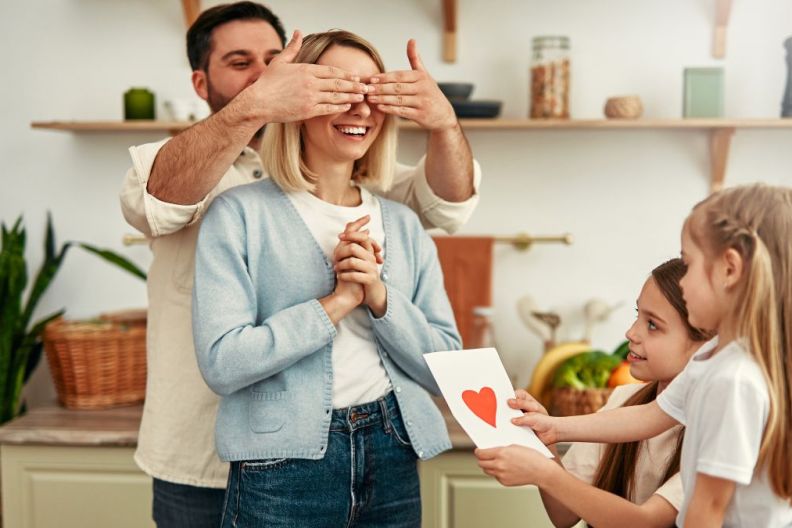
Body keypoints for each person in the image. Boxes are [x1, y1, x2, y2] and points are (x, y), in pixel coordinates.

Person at [119, 2, 480, 526]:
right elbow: (157, 199)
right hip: (205, 450)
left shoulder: (390, 207)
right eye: (242, 64)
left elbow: (448, 204)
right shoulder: (213, 189)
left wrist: (444, 121)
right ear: (201, 82)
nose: (268, 76)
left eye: (275, 61)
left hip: (384, 451)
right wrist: (255, 107)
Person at [511, 184, 792, 527]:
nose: (683, 282)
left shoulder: (734, 380)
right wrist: (554, 427)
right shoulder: (713, 361)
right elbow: (649, 417)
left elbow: (708, 508)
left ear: (729, 270)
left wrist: (545, 468)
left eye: (688, 265)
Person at [475, 258, 712, 528]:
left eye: (653, 325)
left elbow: (644, 523)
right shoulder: (622, 401)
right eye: (638, 315)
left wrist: (545, 473)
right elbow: (564, 516)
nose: (631, 333)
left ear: (705, 344)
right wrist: (546, 444)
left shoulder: (715, 429)